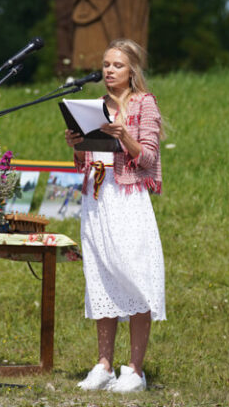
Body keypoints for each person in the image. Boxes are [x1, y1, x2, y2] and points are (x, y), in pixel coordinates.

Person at [65, 38, 165, 394]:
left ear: (132, 70)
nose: (109, 71)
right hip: (97, 198)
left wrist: (125, 136)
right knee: (101, 277)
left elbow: (150, 159)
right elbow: (85, 161)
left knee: (135, 276)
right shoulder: (94, 106)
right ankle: (104, 365)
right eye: (106, 64)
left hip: (128, 197)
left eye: (117, 65)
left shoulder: (144, 104)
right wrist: (77, 144)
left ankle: (135, 370)